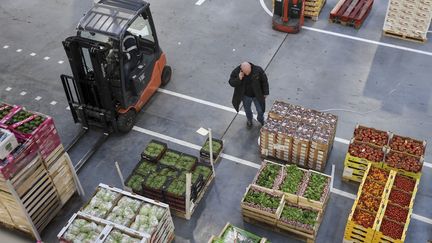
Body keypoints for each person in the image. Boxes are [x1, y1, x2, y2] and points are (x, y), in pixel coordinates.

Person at [229, 62, 269, 128]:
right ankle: (249, 120)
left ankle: (261, 120)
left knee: (260, 110)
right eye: (245, 72)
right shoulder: (236, 71)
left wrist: (265, 93)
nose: (247, 74)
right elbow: (231, 82)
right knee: (247, 110)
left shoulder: (258, 70)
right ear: (241, 69)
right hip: (245, 96)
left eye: (248, 72)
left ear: (250, 67)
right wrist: (239, 78)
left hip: (257, 95)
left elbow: (264, 81)